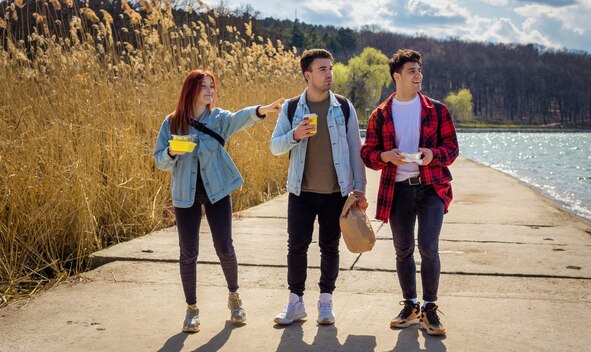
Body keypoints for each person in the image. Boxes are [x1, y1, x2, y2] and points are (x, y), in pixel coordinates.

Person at [154, 69, 283, 333]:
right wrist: (170, 151)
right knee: (188, 253)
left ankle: (234, 297)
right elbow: (159, 160)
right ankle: (191, 309)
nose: (210, 90)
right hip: (184, 194)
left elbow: (240, 118)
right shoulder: (171, 123)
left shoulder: (219, 118)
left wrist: (263, 109)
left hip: (218, 190)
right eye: (204, 86)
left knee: (224, 246)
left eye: (212, 86)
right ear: (191, 89)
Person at [360, 49, 459, 336]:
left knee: (428, 246)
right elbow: (368, 154)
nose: (419, 75)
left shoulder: (437, 110)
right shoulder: (380, 114)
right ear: (397, 76)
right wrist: (386, 156)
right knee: (403, 250)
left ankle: (430, 308)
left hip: (431, 188)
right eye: (412, 71)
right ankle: (411, 306)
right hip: (397, 190)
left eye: (419, 70)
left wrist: (432, 154)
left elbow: (452, 149)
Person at [269, 49, 367, 326]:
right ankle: (295, 302)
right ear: (307, 75)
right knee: (296, 247)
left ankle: (326, 302)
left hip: (335, 193)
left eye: (330, 68)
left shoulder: (344, 107)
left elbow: (354, 150)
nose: (329, 74)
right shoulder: (291, 108)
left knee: (330, 247)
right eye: (322, 69)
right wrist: (295, 135)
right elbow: (275, 147)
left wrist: (359, 190)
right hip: (301, 191)